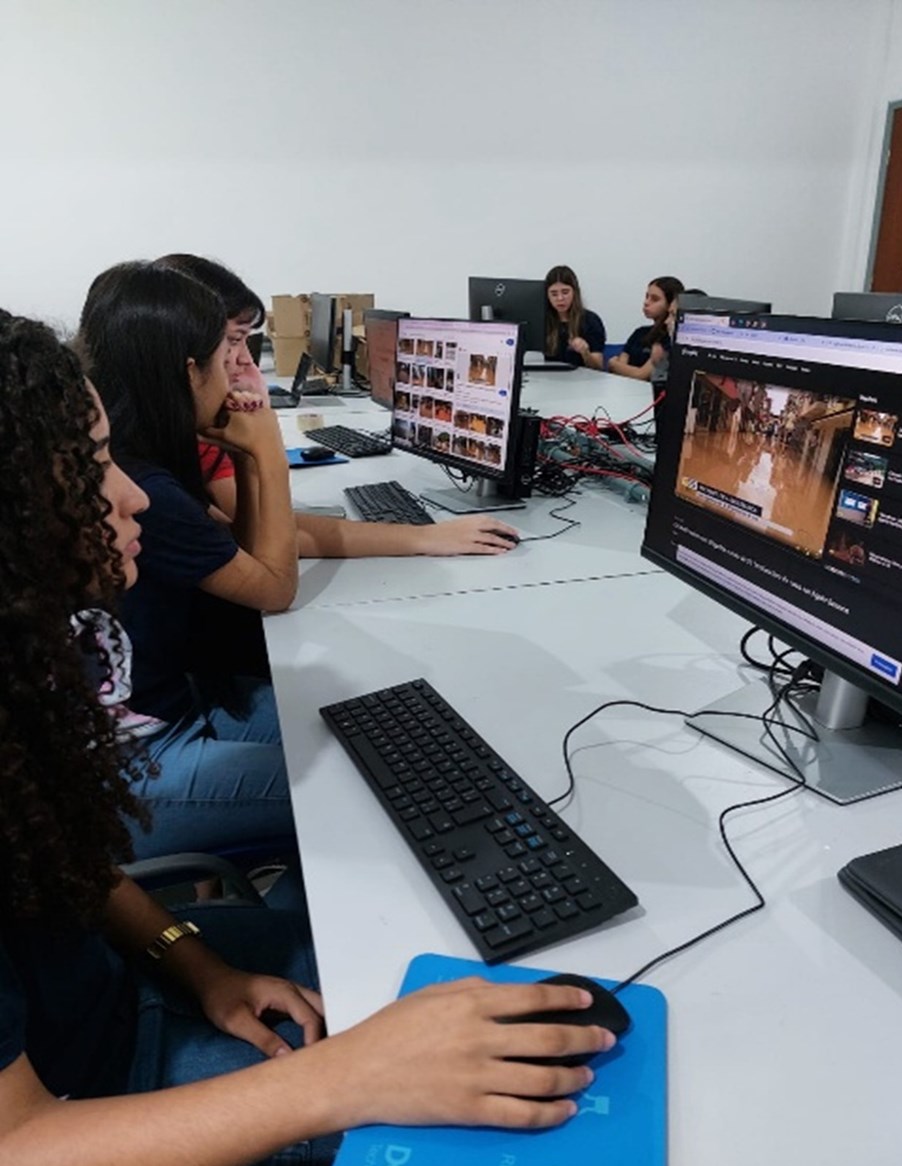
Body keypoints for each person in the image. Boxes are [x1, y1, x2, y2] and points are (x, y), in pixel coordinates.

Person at [0, 309, 615, 1166]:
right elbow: (19, 1145)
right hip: (93, 1105)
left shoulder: (24, 672)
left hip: (125, 994)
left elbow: (66, 866)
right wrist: (353, 1074)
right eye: (90, 467)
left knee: (438, 962)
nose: (131, 491)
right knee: (540, 1129)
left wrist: (196, 963)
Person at [79, 261, 297, 858]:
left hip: (175, 705)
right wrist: (268, 452)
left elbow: (245, 552)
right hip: (142, 756)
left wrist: (249, 460)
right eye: (225, 353)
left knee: (353, 731)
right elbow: (275, 587)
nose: (238, 368)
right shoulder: (144, 485)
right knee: (349, 787)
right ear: (188, 371)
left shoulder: (138, 452)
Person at [159, 254, 521, 558]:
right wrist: (423, 538)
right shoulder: (191, 434)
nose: (243, 360)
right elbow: (264, 540)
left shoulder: (172, 426)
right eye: (235, 340)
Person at [608, 276, 685, 382]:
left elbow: (641, 375)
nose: (646, 302)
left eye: (655, 299)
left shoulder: (671, 338)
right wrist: (619, 367)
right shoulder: (639, 332)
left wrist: (613, 364)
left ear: (670, 304)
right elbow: (621, 367)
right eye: (647, 297)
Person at [543, 264, 606, 370]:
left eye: (565, 292)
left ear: (575, 292)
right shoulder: (542, 321)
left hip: (582, 381)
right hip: (548, 378)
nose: (560, 298)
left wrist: (585, 352)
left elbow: (598, 366)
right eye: (554, 294)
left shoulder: (590, 320)